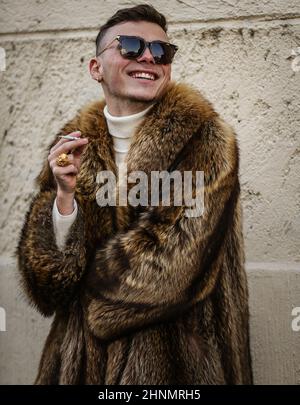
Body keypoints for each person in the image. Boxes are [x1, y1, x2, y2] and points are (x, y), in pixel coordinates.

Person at [17, 4, 253, 384]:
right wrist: (64, 198)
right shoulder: (72, 148)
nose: (148, 57)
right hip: (78, 369)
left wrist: (86, 287)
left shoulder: (205, 139)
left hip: (177, 370)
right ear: (96, 68)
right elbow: (47, 287)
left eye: (162, 51)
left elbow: (171, 271)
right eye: (130, 46)